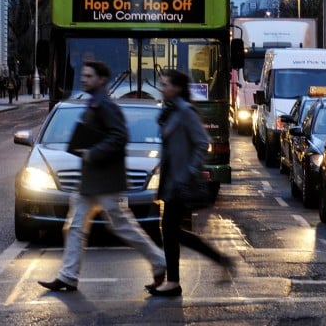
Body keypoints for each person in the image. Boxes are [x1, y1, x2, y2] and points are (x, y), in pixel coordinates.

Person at [38, 61, 166, 293]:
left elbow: (120, 137)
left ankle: (159, 261)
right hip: (92, 180)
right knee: (76, 226)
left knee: (121, 226)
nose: (84, 79)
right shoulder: (95, 103)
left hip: (105, 180)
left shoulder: (106, 106)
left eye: (89, 76)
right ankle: (67, 276)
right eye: (84, 75)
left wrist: (92, 152)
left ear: (101, 80)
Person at [148, 69, 234, 297]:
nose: (162, 88)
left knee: (170, 231)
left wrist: (187, 171)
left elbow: (201, 142)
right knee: (171, 231)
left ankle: (179, 279)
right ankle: (175, 280)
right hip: (170, 179)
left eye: (166, 84)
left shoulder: (185, 111)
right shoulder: (171, 110)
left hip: (180, 181)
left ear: (176, 88)